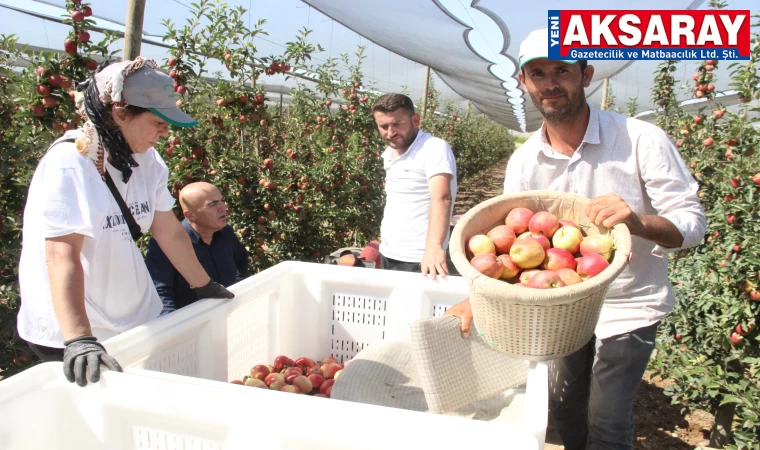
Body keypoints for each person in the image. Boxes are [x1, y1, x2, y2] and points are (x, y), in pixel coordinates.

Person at [445, 28, 706, 450]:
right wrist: (479, 294)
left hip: (629, 302)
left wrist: (637, 222)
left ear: (586, 75)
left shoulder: (640, 140)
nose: (550, 83)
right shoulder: (525, 161)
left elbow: (692, 222)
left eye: (562, 70)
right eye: (538, 73)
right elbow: (511, 246)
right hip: (559, 306)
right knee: (563, 407)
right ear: (525, 83)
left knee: (607, 417)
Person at [17, 58, 234, 387]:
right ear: (119, 113)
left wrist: (204, 286)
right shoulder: (71, 164)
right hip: (76, 333)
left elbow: (168, 231)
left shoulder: (147, 161)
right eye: (157, 120)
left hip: (132, 321)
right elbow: (61, 254)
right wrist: (78, 338)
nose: (165, 130)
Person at [371, 93, 457, 280]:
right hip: (389, 252)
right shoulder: (389, 153)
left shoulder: (433, 148)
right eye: (383, 126)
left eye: (397, 124)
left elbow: (442, 197)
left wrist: (434, 247)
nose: (390, 132)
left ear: (415, 120)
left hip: (420, 258)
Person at [146, 182, 247, 315]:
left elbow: (242, 262)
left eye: (221, 201)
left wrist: (239, 292)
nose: (223, 208)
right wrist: (173, 327)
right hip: (194, 325)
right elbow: (160, 293)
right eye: (213, 204)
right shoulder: (166, 245)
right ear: (190, 215)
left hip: (231, 314)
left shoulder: (226, 233)